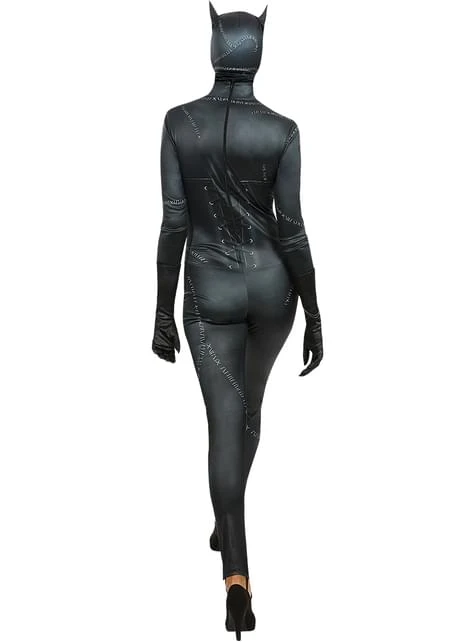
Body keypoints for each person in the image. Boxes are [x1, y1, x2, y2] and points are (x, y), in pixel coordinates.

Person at [152, 2, 323, 636]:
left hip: (211, 294)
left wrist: (161, 310)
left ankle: (237, 580)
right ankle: (228, 518)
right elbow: (293, 230)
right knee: (248, 412)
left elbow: (175, 222)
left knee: (226, 424)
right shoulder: (283, 131)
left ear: (215, 46)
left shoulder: (178, 122)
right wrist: (315, 311)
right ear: (258, 51)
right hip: (274, 292)